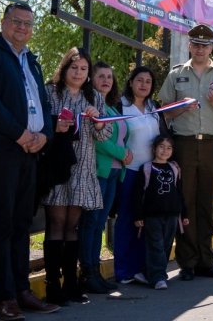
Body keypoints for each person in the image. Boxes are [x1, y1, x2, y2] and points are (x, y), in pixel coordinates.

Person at [0, 2, 59, 320]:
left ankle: (22, 291)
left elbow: (43, 103)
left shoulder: (32, 61)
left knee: (22, 224)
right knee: (2, 225)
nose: (23, 27)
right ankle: (4, 296)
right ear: (3, 22)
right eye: (16, 21)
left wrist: (45, 134)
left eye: (28, 23)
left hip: (30, 153)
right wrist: (20, 135)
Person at [156, 24, 213, 280]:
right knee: (186, 202)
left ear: (212, 48)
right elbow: (163, 111)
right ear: (190, 46)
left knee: (205, 203)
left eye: (205, 45)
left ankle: (206, 260)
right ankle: (187, 261)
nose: (200, 49)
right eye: (196, 44)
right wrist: (180, 108)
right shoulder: (176, 74)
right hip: (184, 143)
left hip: (212, 143)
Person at [40, 48, 107, 305]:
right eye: (74, 68)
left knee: (72, 226)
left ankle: (71, 283)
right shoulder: (50, 93)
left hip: (83, 168)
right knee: (55, 224)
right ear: (64, 68)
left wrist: (98, 121)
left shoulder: (96, 99)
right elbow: (40, 124)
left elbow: (103, 136)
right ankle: (52, 285)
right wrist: (56, 124)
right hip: (58, 168)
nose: (78, 73)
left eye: (83, 69)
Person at [78, 61, 128, 294]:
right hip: (98, 171)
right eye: (101, 76)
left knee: (99, 224)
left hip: (114, 172)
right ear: (91, 80)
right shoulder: (92, 106)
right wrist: (122, 154)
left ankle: (95, 272)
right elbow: (98, 142)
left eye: (110, 76)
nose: (106, 80)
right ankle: (87, 272)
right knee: (91, 224)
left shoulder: (112, 108)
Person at [113, 66, 163, 285]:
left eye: (148, 81)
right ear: (131, 82)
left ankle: (140, 268)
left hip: (151, 174)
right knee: (127, 221)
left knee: (147, 224)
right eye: (140, 80)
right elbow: (114, 134)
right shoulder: (120, 105)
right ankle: (123, 271)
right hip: (130, 172)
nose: (144, 85)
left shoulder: (154, 107)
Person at [131, 134, 189, 291]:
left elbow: (179, 193)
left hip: (172, 215)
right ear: (154, 148)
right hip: (152, 216)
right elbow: (138, 195)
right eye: (161, 147)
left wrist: (184, 214)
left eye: (169, 147)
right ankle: (158, 278)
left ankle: (148, 274)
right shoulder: (146, 168)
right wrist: (138, 216)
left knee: (165, 246)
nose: (165, 150)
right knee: (155, 246)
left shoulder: (174, 168)